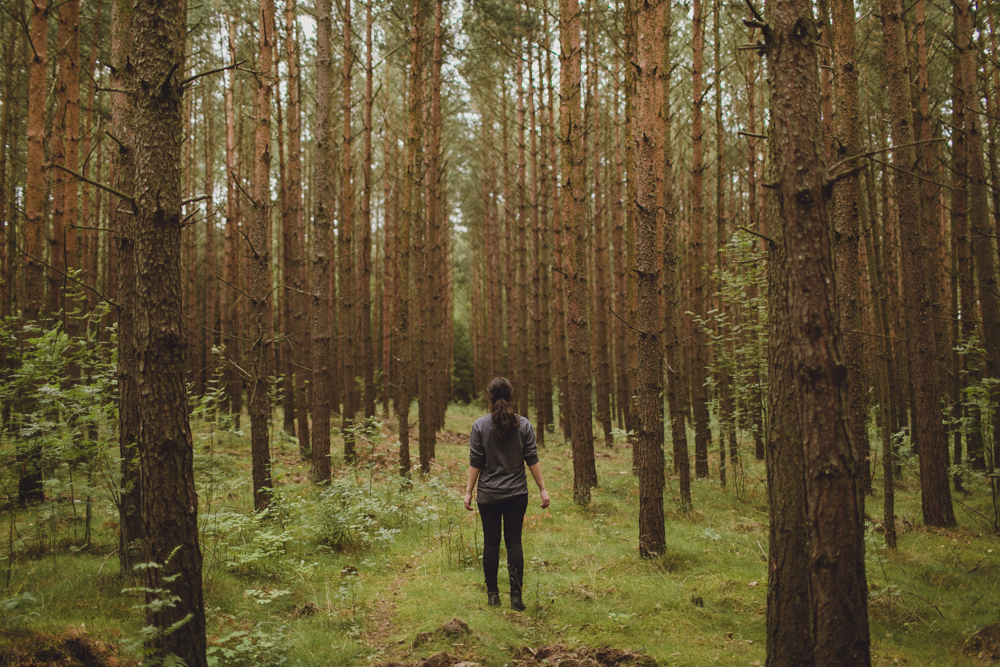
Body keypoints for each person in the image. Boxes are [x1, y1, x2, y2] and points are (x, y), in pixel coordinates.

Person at [464, 377, 550, 610]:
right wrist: (542, 489)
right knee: (514, 542)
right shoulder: (524, 425)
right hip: (516, 494)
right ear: (511, 396)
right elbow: (532, 458)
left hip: (488, 496)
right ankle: (516, 597)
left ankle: (493, 596)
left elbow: (476, 461)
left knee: (490, 543)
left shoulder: (480, 425)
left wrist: (468, 492)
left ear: (490, 397)